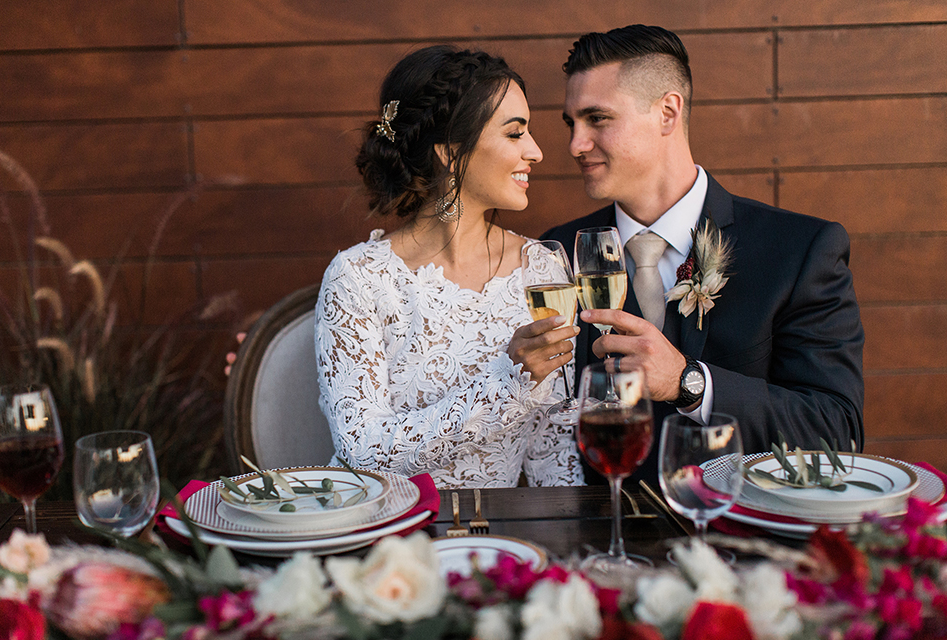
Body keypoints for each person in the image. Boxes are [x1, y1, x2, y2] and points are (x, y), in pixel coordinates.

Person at [539, 24, 865, 483]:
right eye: (571, 123)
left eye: (597, 119)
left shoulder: (800, 250)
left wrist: (690, 383)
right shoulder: (555, 255)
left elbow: (836, 432)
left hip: (740, 539)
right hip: (599, 543)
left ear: (668, 113)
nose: (575, 144)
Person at [315, 45, 584, 489]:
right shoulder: (359, 277)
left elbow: (552, 446)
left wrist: (566, 543)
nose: (536, 152)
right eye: (515, 134)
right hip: (391, 531)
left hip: (500, 539)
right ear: (448, 151)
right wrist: (508, 381)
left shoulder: (543, 266)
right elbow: (361, 448)